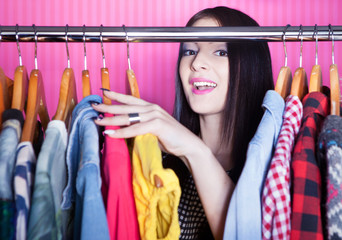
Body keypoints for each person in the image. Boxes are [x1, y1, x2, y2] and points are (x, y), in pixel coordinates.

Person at [92, 6, 274, 240]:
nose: (197, 63)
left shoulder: (272, 170)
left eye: (220, 52)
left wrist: (196, 151)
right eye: (189, 51)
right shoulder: (156, 165)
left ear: (252, 66)